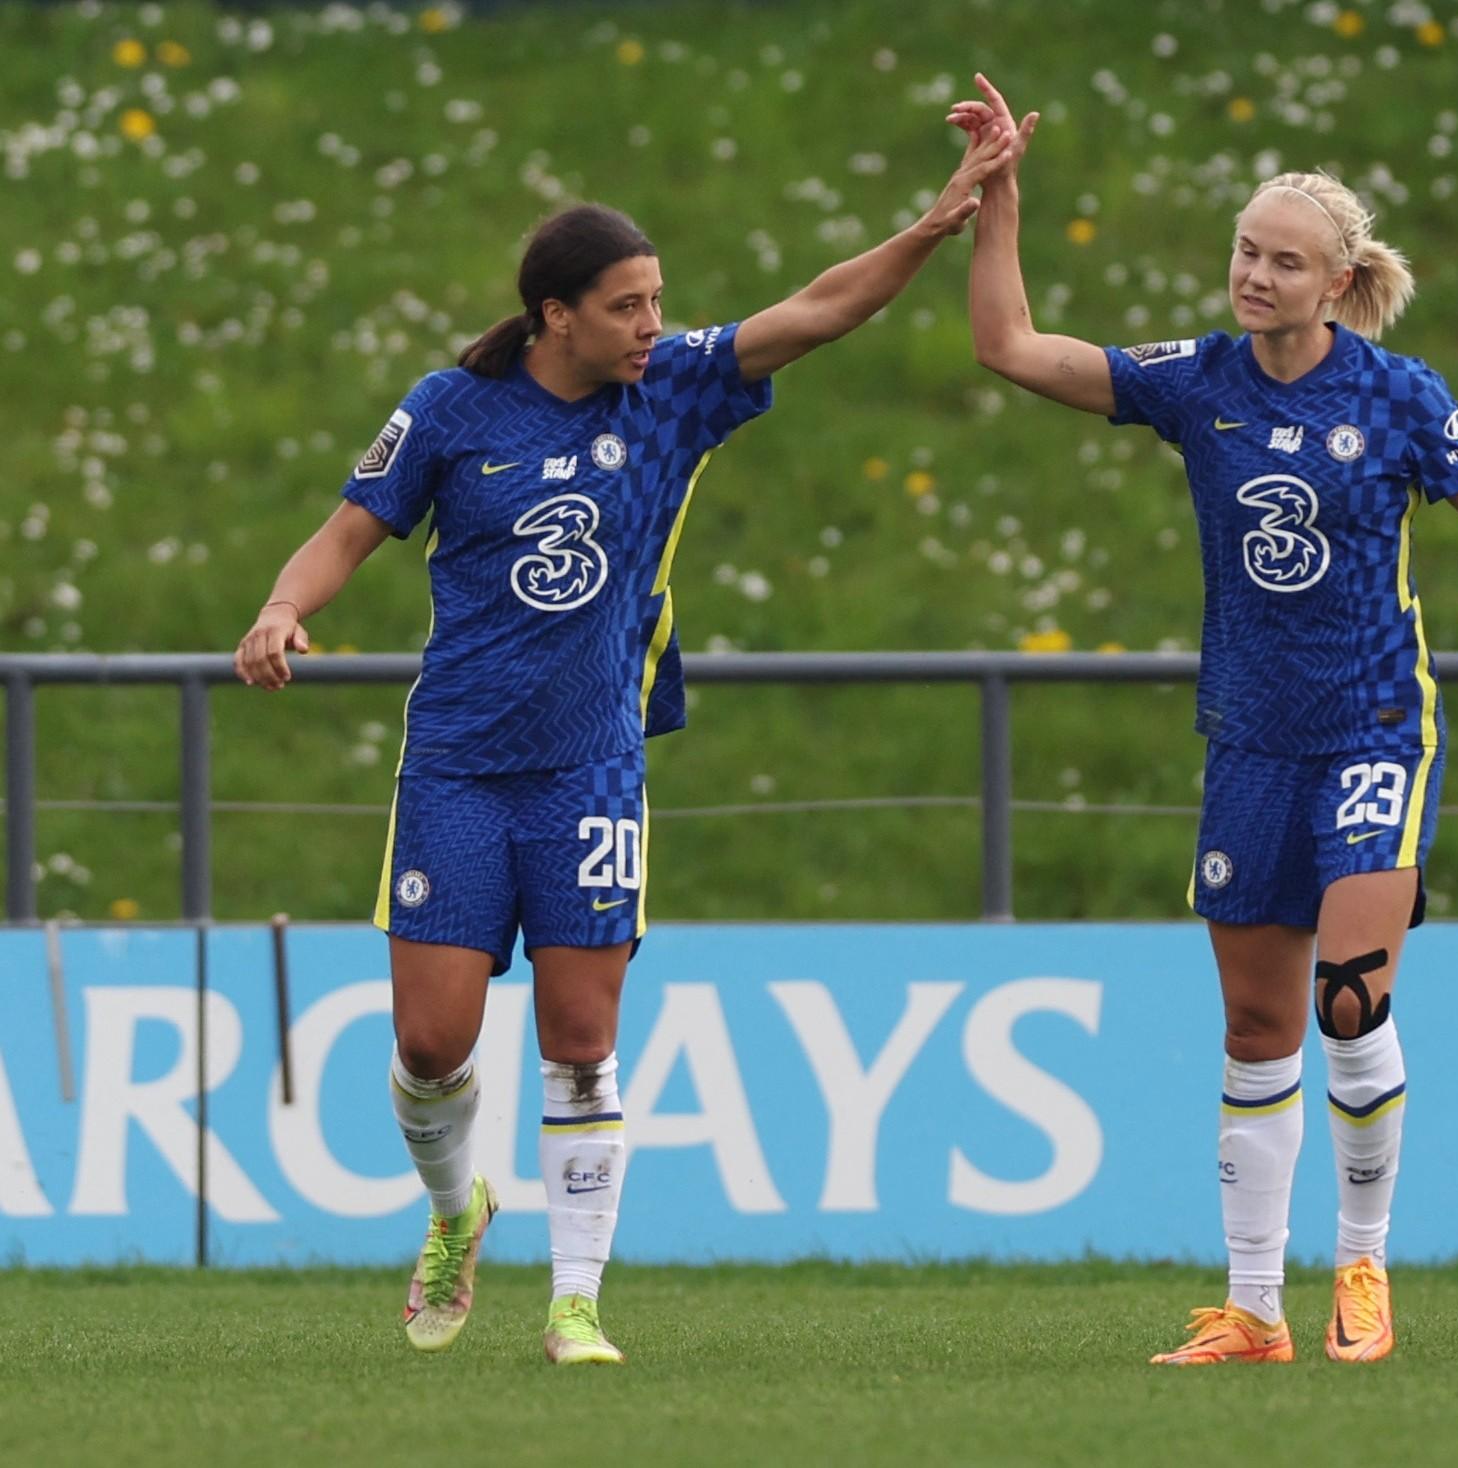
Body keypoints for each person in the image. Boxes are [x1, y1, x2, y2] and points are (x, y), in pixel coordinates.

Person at [229, 122, 1019, 1365]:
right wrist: (283, 607)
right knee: (430, 1045)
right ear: (556, 316)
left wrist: (931, 225)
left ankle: (577, 1301)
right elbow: (346, 531)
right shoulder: (451, 409)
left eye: (658, 300)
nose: (653, 323)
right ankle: (457, 1213)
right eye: (627, 305)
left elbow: (814, 313)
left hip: (594, 761)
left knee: (579, 1040)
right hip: (455, 765)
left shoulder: (674, 392)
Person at [951, 75, 1458, 1366]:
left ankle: (1362, 1267)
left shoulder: (1400, 396)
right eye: (1244, 250)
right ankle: (1253, 1307)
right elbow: (1009, 347)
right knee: (1256, 1028)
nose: (1253, 275)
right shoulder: (1197, 383)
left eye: (1282, 261)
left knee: (1350, 1002)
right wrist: (998, 199)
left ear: (1338, 279)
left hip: (1372, 730)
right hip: (1249, 738)